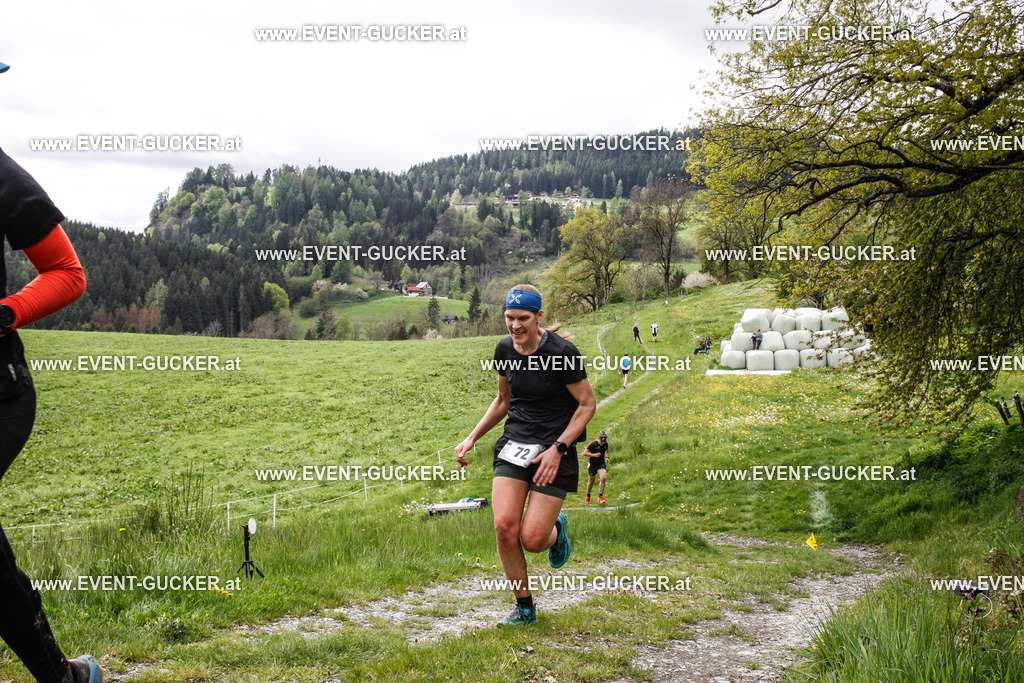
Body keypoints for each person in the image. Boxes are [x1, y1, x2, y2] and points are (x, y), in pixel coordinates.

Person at [0, 60, 100, 683]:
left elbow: (68, 273)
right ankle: (60, 676)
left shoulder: (2, 177)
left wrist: (5, 312)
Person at [455, 285, 595, 626]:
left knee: (532, 540)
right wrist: (473, 436)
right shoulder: (504, 349)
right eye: (509, 318)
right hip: (515, 443)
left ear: (539, 317)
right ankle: (524, 608)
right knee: (504, 527)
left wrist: (558, 450)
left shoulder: (563, 353)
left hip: (554, 449)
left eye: (523, 318)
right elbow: (503, 401)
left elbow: (587, 405)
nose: (515, 326)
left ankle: (555, 531)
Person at [583, 431, 610, 504]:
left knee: (603, 477)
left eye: (604, 442)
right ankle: (588, 495)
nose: (602, 443)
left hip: (601, 464)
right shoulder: (593, 444)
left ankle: (600, 496)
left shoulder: (605, 444)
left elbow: (607, 449)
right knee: (591, 481)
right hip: (593, 464)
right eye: (601, 441)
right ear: (599, 439)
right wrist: (594, 455)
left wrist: (607, 457)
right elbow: (585, 453)